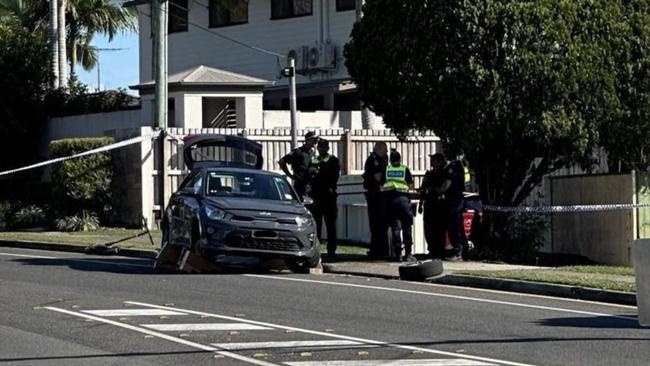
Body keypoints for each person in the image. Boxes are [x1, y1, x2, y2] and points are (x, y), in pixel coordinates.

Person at [308, 139, 341, 258]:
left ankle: (331, 250)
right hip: (316, 196)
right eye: (320, 147)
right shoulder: (313, 159)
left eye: (323, 147)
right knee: (316, 225)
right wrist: (317, 173)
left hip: (329, 196)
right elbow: (310, 173)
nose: (321, 149)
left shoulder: (333, 160)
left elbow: (332, 176)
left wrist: (318, 173)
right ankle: (315, 249)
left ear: (327, 148)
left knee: (330, 225)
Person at [383, 149, 415, 262]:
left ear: (390, 160)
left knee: (396, 228)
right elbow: (411, 186)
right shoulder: (404, 169)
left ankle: (398, 254)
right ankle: (408, 254)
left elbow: (381, 183)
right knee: (407, 227)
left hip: (390, 201)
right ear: (400, 159)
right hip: (403, 200)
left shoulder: (386, 169)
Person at [418, 153, 448, 259]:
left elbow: (442, 188)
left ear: (438, 161)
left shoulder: (442, 173)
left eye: (433, 160)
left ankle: (439, 250)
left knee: (439, 228)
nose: (431, 162)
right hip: (429, 204)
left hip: (438, 205)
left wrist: (433, 190)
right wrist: (420, 204)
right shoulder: (429, 174)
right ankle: (432, 249)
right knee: (428, 228)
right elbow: (423, 189)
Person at [362, 141, 388, 259]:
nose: (386, 152)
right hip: (375, 196)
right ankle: (377, 250)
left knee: (380, 224)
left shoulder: (380, 159)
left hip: (378, 196)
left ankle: (380, 249)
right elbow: (378, 177)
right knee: (377, 224)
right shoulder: (374, 160)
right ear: (379, 149)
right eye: (385, 150)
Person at [440, 156, 467, 261]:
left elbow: (447, 183)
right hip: (458, 198)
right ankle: (462, 251)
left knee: (454, 226)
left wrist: (440, 191)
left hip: (453, 200)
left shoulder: (453, 167)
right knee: (458, 225)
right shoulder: (460, 166)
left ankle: (458, 251)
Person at [279, 131, 319, 199]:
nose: (316, 142)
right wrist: (290, 175)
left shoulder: (313, 153)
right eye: (314, 140)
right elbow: (282, 161)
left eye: (316, 140)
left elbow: (314, 168)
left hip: (311, 187)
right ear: (307, 140)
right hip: (300, 187)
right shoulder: (298, 152)